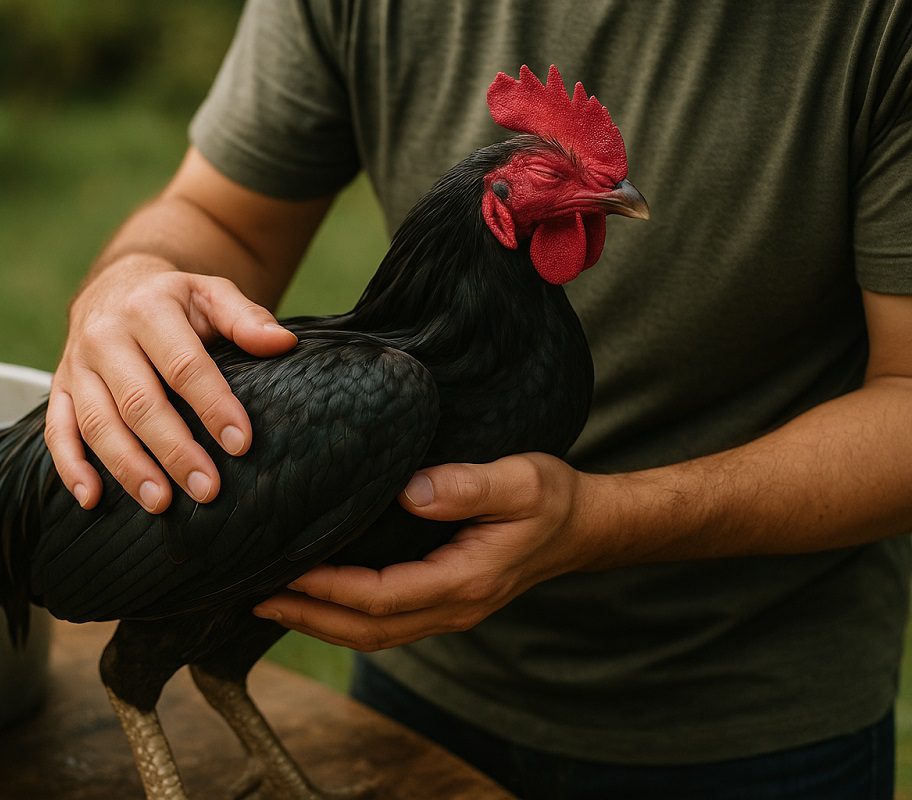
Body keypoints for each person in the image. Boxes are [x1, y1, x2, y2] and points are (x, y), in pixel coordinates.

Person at [45, 3, 912, 797]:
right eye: (545, 177)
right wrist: (131, 280)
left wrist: (604, 522)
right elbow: (222, 212)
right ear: (495, 205)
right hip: (416, 679)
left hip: (757, 717)